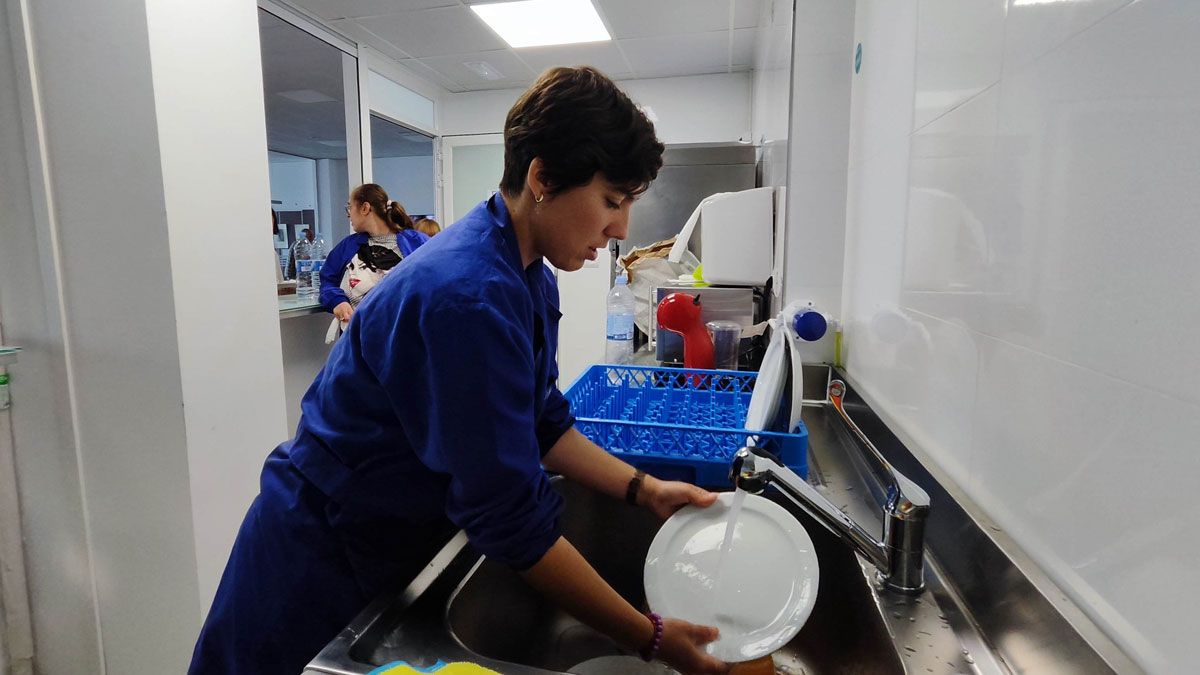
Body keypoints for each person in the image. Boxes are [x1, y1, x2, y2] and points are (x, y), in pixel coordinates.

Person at [189, 66, 728, 675]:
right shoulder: (466, 297)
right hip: (317, 557)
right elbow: (510, 523)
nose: (620, 230)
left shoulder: (526, 273)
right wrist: (651, 637)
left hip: (385, 541)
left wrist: (645, 489)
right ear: (543, 177)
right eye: (611, 200)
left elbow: (542, 424)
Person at [320, 185, 429, 324]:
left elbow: (436, 280)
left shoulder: (417, 242)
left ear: (365, 208)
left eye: (350, 207)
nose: (348, 214)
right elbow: (327, 282)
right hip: (360, 334)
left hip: (407, 332)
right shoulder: (347, 247)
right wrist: (337, 301)